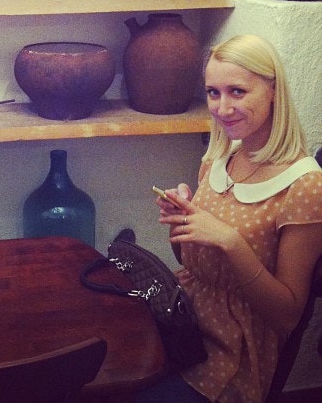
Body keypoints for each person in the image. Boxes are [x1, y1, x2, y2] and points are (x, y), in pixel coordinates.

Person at [136, 34, 322, 403]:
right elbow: (196, 265)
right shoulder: (219, 159)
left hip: (233, 352)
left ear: (273, 91)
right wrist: (181, 225)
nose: (222, 108)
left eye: (237, 91)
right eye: (213, 92)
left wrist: (230, 242)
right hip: (185, 322)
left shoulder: (305, 186)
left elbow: (287, 316)